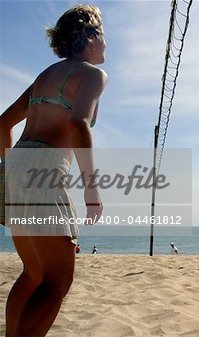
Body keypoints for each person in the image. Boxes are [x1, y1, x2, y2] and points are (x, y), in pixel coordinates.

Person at [0, 5, 107, 336]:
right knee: (57, 279)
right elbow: (78, 123)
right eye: (102, 33)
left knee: (33, 273)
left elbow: (3, 123)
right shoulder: (91, 74)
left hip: (16, 164)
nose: (106, 41)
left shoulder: (46, 75)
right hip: (44, 167)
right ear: (89, 37)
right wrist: (91, 187)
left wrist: (9, 168)